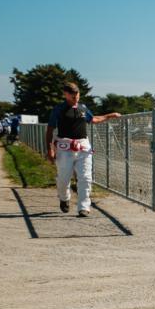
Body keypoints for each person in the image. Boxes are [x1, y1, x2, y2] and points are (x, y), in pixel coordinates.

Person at [45, 82, 121, 217]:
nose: (76, 99)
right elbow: (50, 129)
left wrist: (110, 115)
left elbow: (94, 119)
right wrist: (50, 149)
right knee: (63, 179)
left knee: (85, 177)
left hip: (83, 147)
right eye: (73, 96)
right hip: (65, 147)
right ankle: (64, 198)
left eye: (77, 96)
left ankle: (84, 207)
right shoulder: (58, 109)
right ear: (66, 95)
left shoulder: (83, 108)